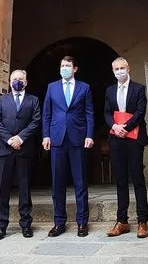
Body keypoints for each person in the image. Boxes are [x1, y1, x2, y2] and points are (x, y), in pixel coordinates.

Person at [42, 55, 95, 237]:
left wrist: (89, 135)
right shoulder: (52, 87)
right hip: (57, 138)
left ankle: (82, 222)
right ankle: (59, 222)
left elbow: (89, 113)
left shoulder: (84, 87)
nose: (64, 68)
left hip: (77, 138)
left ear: (75, 69)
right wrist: (46, 135)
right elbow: (46, 113)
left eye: (67, 65)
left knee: (80, 181)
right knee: (57, 182)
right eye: (62, 65)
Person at [0, 69, 41, 240]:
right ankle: (1, 225)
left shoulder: (33, 100)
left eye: (20, 79)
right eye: (14, 79)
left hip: (24, 149)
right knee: (2, 188)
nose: (17, 82)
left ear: (26, 82)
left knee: (24, 188)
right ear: (9, 81)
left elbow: (36, 121)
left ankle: (26, 224)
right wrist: (9, 139)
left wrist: (20, 138)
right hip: (5, 149)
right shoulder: (2, 100)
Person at [104, 57, 148, 239]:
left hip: (134, 138)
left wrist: (126, 127)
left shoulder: (138, 88)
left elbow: (140, 111)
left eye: (122, 68)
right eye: (116, 69)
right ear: (112, 70)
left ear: (128, 68)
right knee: (121, 180)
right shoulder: (109, 90)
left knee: (138, 178)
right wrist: (114, 127)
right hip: (116, 139)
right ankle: (122, 221)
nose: (120, 71)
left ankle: (142, 221)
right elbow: (107, 112)